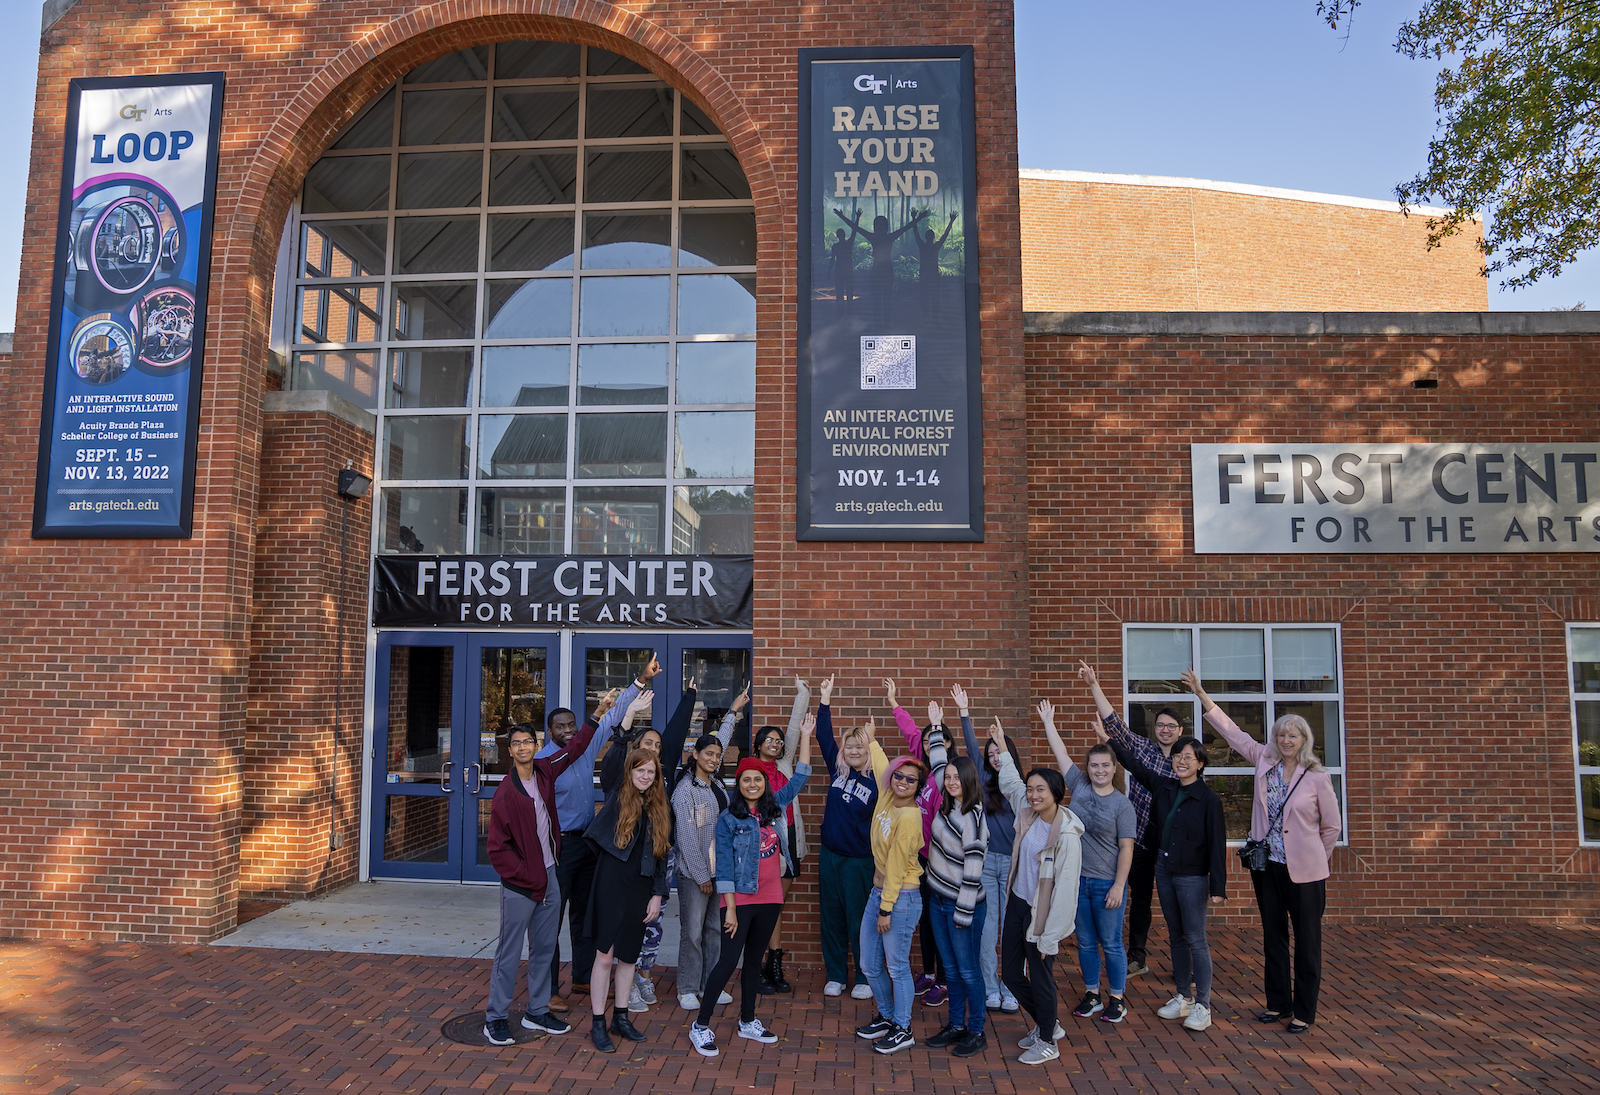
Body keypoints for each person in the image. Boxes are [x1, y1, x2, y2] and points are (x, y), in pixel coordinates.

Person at [1182, 669, 1341, 1033]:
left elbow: (1331, 827)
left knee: (1307, 943)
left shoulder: (1317, 777)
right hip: (1267, 866)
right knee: (1273, 936)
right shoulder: (1263, 762)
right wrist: (1203, 696)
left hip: (1306, 872)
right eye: (1281, 734)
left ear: (1304, 740)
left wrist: (1317, 856)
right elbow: (1233, 733)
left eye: (1293, 735)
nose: (1286, 740)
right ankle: (1278, 1004)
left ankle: (1304, 1010)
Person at [1088, 664, 1226, 1032]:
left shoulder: (1208, 799)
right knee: (1176, 934)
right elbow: (1129, 756)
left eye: (1189, 757)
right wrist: (1107, 734)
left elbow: (1216, 844)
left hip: (1193, 875)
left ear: (1199, 763)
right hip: (1162, 866)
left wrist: (1218, 887)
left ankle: (1203, 1003)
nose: (1182, 761)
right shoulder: (1163, 783)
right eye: (1178, 757)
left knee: (1195, 937)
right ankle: (1182, 996)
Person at [602, 680, 747, 1011]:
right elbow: (688, 839)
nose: (653, 749)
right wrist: (701, 875)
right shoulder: (678, 787)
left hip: (669, 861)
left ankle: (692, 982)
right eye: (647, 744)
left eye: (657, 744)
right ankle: (679, 985)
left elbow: (716, 747)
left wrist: (734, 711)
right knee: (683, 930)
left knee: (692, 927)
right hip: (662, 863)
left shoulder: (711, 784)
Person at [687, 718, 815, 1058]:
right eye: (747, 779)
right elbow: (725, 867)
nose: (753, 783)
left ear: (765, 783)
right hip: (741, 901)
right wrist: (729, 906)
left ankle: (747, 1020)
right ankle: (700, 1026)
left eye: (758, 778)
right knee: (728, 962)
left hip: (771, 898)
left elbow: (801, 775)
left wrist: (805, 736)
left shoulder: (776, 809)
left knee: (754, 963)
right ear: (739, 784)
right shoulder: (729, 819)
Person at [539, 655, 660, 1011]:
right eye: (560, 727)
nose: (568, 731)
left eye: (572, 725)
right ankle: (547, 988)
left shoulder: (584, 747)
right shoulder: (545, 762)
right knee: (552, 916)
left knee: (583, 914)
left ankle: (581, 976)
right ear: (550, 731)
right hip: (558, 846)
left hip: (588, 843)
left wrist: (640, 678)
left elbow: (611, 718)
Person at [481, 718, 604, 1045]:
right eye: (517, 743)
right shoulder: (506, 793)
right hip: (520, 884)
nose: (523, 747)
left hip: (550, 875)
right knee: (509, 952)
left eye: (528, 742)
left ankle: (536, 1010)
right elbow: (497, 848)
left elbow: (576, 747)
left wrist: (596, 718)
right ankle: (495, 1018)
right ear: (510, 751)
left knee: (544, 948)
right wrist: (522, 873)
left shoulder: (545, 770)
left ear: (536, 746)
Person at [1075, 663, 1184, 979]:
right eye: (1160, 725)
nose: (1164, 729)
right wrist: (1094, 684)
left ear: (1180, 730)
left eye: (1170, 726)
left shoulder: (1184, 761)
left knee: (1169, 902)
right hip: (1135, 838)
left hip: (1165, 843)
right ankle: (1136, 957)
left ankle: (1182, 963)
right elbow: (1115, 725)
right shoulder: (1143, 749)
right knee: (1138, 901)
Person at [988, 717, 1084, 1066]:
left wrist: (1049, 937)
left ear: (1056, 793)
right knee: (1012, 974)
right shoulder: (1027, 814)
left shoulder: (1066, 836)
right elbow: (1012, 783)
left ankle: (1047, 1039)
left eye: (1041, 789)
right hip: (1018, 902)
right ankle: (1048, 1022)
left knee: (1041, 976)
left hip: (1042, 915)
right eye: (1032, 789)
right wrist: (1000, 744)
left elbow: (1066, 893)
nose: (1033, 794)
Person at [1034, 701, 1136, 1025]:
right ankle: (1092, 993)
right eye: (1094, 766)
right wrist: (1049, 722)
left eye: (1105, 766)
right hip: (1077, 881)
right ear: (1088, 768)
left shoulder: (1123, 806)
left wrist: (1119, 885)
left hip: (1107, 884)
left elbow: (1126, 848)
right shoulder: (1077, 785)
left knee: (1112, 944)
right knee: (1087, 943)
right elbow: (1060, 751)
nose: (1099, 771)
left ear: (1114, 768)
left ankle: (1117, 998)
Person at [582, 748, 673, 1052]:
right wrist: (624, 721)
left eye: (651, 772)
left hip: (641, 887)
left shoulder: (661, 807)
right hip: (611, 884)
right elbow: (610, 766)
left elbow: (661, 856)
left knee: (629, 958)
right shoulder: (617, 797)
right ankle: (597, 1022)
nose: (645, 777)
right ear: (630, 772)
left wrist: (657, 894)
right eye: (640, 771)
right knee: (605, 957)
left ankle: (620, 1018)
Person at [815, 675, 888, 999]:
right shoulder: (837, 769)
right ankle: (835, 974)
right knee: (831, 916)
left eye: (860, 746)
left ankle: (863, 975)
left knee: (859, 919)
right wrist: (825, 699)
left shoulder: (879, 780)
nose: (854, 750)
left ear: (868, 749)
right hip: (830, 855)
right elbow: (822, 736)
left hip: (859, 861)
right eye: (850, 745)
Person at [852, 755, 927, 1055]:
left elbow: (896, 867)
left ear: (918, 786)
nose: (903, 782)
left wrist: (886, 908)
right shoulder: (886, 799)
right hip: (879, 893)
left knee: (896, 967)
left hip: (900, 899)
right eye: (900, 776)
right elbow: (883, 765)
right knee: (869, 963)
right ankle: (887, 1016)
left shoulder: (909, 817)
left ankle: (903, 1027)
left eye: (911, 779)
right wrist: (870, 739)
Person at [740, 678, 811, 994]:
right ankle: (755, 967)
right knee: (759, 905)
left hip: (790, 839)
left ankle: (773, 964)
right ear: (757, 744)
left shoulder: (784, 764)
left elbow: (794, 729)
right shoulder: (749, 767)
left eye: (778, 740)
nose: (776, 743)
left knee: (776, 904)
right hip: (761, 843)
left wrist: (804, 694)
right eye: (769, 739)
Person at [885, 678, 951, 1004]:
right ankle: (927, 972)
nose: (926, 744)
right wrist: (895, 703)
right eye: (925, 742)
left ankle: (943, 978)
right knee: (924, 916)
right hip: (919, 856)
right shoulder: (919, 768)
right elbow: (911, 732)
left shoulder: (945, 777)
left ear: (945, 745)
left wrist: (937, 726)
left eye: (934, 740)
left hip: (940, 857)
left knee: (939, 917)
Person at [958, 684, 1020, 1013]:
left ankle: (1012, 987)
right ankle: (990, 986)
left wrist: (1002, 740)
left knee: (1012, 928)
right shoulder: (983, 778)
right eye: (991, 753)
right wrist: (965, 712)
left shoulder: (1018, 786)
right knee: (987, 928)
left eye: (1000, 752)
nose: (995, 758)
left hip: (1013, 866)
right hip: (986, 864)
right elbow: (970, 747)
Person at [923, 754, 990, 1057]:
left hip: (962, 905)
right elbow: (938, 768)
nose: (950, 782)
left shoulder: (973, 817)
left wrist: (963, 914)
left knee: (968, 971)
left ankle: (976, 1030)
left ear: (969, 781)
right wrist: (936, 729)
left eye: (956, 778)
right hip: (937, 899)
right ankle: (955, 1026)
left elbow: (974, 869)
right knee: (950, 969)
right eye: (948, 777)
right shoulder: (947, 804)